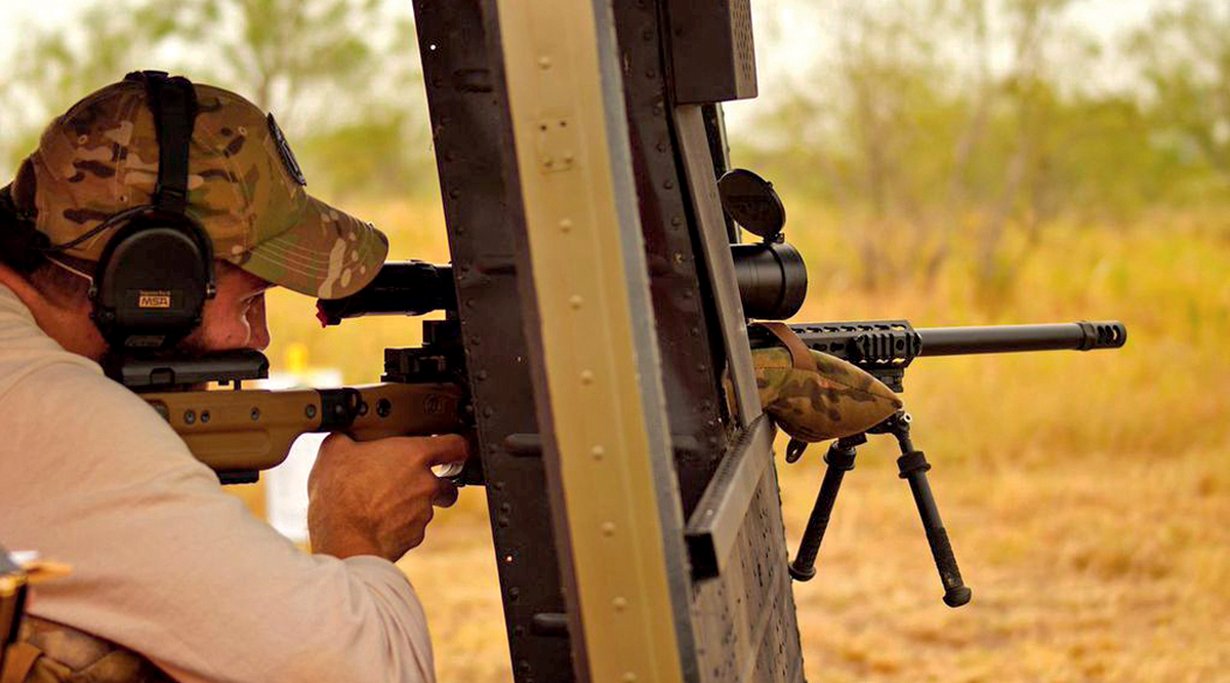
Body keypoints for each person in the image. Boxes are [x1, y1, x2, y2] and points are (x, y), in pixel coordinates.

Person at [0, 75, 468, 682]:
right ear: (154, 280)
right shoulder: (48, 408)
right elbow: (358, 672)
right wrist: (356, 533)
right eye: (251, 302)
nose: (260, 338)